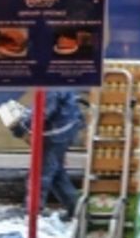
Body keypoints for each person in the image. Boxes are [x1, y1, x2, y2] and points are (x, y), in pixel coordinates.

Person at [8, 91, 84, 219]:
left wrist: (21, 126)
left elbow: (42, 112)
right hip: (64, 130)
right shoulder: (54, 80)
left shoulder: (51, 85)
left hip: (57, 133)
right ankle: (76, 209)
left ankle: (32, 213)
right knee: (56, 174)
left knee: (40, 173)